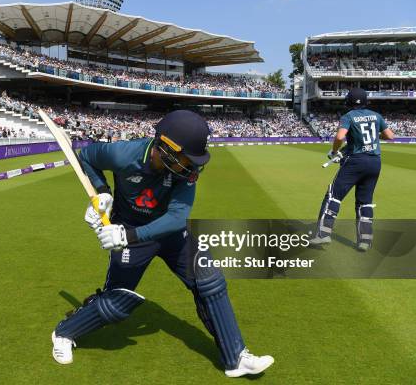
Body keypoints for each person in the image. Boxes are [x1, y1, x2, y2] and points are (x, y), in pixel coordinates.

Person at [51, 110, 274, 378]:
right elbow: (86, 158)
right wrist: (103, 194)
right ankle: (64, 332)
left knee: (209, 279)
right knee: (115, 303)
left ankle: (236, 357)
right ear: (166, 149)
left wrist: (126, 237)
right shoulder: (123, 153)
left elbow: (177, 218)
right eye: (187, 160)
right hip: (130, 230)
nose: (192, 167)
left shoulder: (185, 174)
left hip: (164, 234)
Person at [309, 88, 395, 251]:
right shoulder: (376, 116)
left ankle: (323, 234)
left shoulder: (348, 116)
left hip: (355, 161)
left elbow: (340, 137)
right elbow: (390, 136)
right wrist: (376, 135)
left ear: (349, 101)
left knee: (333, 196)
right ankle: (364, 241)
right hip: (375, 162)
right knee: (365, 202)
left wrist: (334, 152)